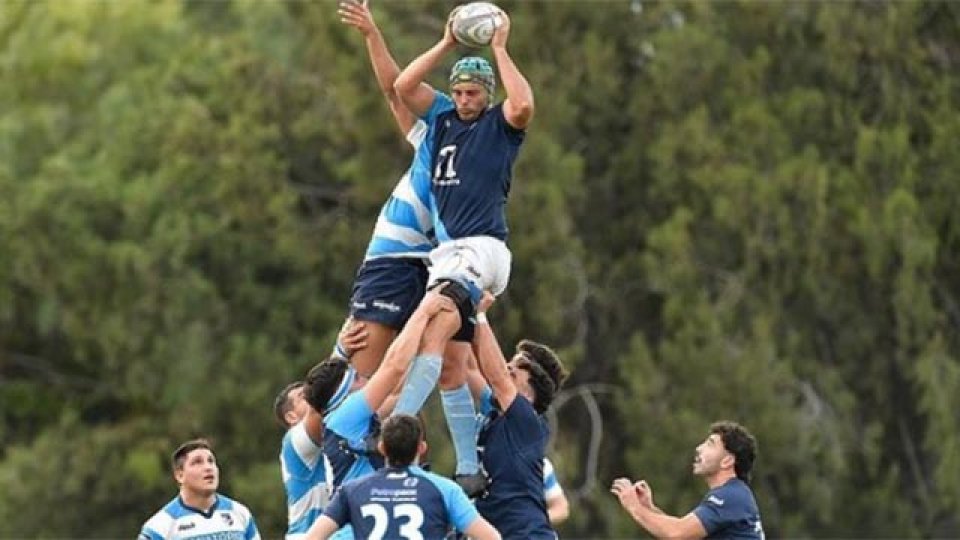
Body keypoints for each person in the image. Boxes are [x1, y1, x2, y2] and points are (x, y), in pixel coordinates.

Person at [391, 5, 535, 495]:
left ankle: (395, 430)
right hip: (456, 255)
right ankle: (470, 468)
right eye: (458, 91)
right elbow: (403, 88)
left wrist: (499, 48)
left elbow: (524, 105)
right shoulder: (443, 119)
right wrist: (448, 42)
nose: (464, 99)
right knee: (453, 365)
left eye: (473, 92)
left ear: (486, 94)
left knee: (429, 331)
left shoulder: (497, 125)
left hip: (478, 250)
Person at [331, 0, 437, 379]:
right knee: (356, 377)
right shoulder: (434, 135)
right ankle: (321, 435)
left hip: (438, 269)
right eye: (455, 96)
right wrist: (372, 33)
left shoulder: (488, 154)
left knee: (444, 372)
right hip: (392, 260)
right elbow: (396, 93)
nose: (460, 103)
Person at [303, 288, 456, 539]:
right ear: (343, 395)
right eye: (357, 380)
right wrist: (424, 310)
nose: (366, 380)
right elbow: (394, 368)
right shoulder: (344, 416)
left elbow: (402, 391)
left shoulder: (348, 422)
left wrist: (431, 340)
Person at [304, 414, 501, 540]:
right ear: (421, 448)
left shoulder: (352, 490)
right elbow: (490, 537)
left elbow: (313, 537)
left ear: (381, 448)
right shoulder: (444, 489)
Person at [467, 292, 563, 539]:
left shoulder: (527, 420)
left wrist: (480, 315)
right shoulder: (497, 411)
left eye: (516, 370)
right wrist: (459, 315)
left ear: (529, 394)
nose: (507, 367)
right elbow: (468, 368)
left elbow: (497, 376)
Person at [274, 323, 368, 539]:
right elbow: (323, 400)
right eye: (302, 397)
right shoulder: (293, 441)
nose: (310, 396)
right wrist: (341, 353)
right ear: (291, 417)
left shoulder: (339, 436)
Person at [610, 421, 765, 539]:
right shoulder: (733, 494)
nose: (699, 448)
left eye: (710, 444)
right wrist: (649, 508)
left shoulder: (731, 496)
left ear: (727, 461)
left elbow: (676, 533)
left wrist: (635, 507)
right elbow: (684, 533)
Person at [138, 439, 260, 540]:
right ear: (180, 475)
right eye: (197, 462)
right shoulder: (160, 526)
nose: (208, 467)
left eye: (211, 461)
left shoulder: (240, 513)